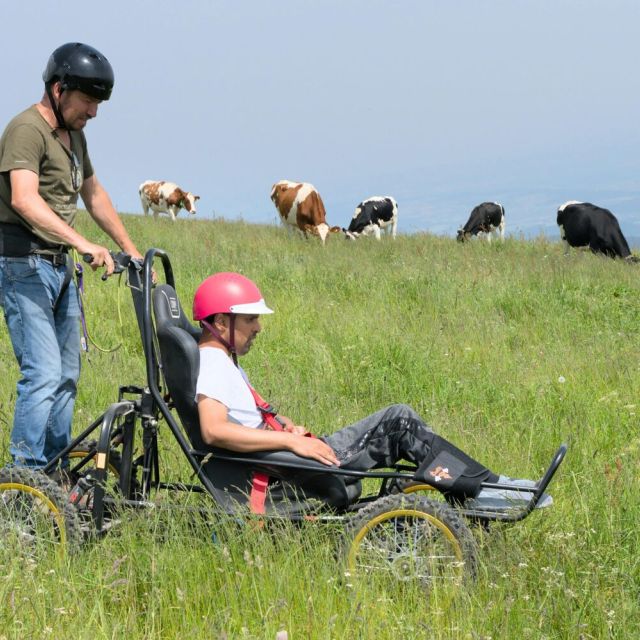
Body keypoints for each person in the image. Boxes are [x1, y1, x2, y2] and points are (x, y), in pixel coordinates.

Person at [193, 272, 551, 513]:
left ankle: (485, 489)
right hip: (286, 466)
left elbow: (242, 417)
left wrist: (284, 426)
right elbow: (214, 430)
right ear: (222, 322)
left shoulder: (223, 359)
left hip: (284, 454)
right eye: (251, 319)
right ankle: (491, 492)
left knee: (400, 420)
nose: (259, 327)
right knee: (400, 424)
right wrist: (290, 443)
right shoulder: (213, 362)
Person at [0, 43, 144, 473]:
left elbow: (94, 194)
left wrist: (131, 249)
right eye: (88, 101)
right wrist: (84, 242)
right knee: (42, 374)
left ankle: (56, 469)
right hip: (23, 265)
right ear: (59, 89)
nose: (94, 112)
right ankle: (21, 485)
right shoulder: (26, 130)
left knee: (66, 378)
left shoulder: (74, 137)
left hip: (59, 268)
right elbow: (25, 200)